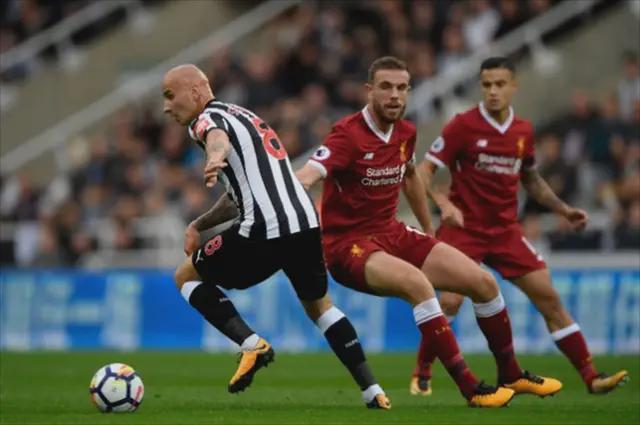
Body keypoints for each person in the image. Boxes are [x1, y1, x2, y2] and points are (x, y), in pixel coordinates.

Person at [295, 56, 561, 407]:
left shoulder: (405, 132)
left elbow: (410, 177)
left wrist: (428, 228)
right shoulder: (347, 134)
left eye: (402, 88)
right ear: (369, 90)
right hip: (348, 246)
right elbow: (308, 174)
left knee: (484, 283)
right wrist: (290, 191)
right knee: (419, 285)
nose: (394, 95)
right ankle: (471, 389)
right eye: (386, 87)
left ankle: (510, 373)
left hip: (392, 233)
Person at [162, 64, 391, 409]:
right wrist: (200, 224)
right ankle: (373, 391)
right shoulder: (246, 115)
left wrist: (215, 155)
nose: (166, 107)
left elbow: (216, 137)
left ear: (195, 92)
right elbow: (241, 193)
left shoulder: (205, 119)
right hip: (305, 223)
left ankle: (251, 345)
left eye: (170, 96)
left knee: (186, 276)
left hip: (264, 228)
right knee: (320, 307)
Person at [417, 56, 629, 394]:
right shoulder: (462, 125)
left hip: (505, 231)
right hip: (464, 230)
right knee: (451, 302)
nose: (493, 91)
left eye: (500, 84)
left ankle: (592, 377)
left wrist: (563, 209)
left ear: (514, 86)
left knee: (549, 298)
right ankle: (422, 372)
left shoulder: (523, 131)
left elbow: (531, 179)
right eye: (487, 84)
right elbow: (423, 171)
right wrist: (443, 204)